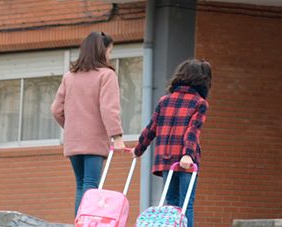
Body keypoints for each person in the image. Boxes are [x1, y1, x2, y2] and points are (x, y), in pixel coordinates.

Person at [51, 31, 125, 216]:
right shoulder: (106, 75)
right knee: (91, 185)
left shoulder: (69, 76)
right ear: (102, 51)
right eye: (110, 51)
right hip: (93, 141)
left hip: (74, 140)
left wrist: (72, 127)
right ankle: (86, 222)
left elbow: (56, 109)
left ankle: (80, 221)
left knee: (81, 185)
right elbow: (109, 108)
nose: (110, 55)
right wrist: (117, 136)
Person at [134, 59, 211, 227]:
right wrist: (188, 154)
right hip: (186, 162)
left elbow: (151, 128)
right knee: (185, 205)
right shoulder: (199, 103)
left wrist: (138, 149)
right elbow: (192, 131)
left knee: (172, 203)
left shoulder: (165, 100)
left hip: (167, 160)